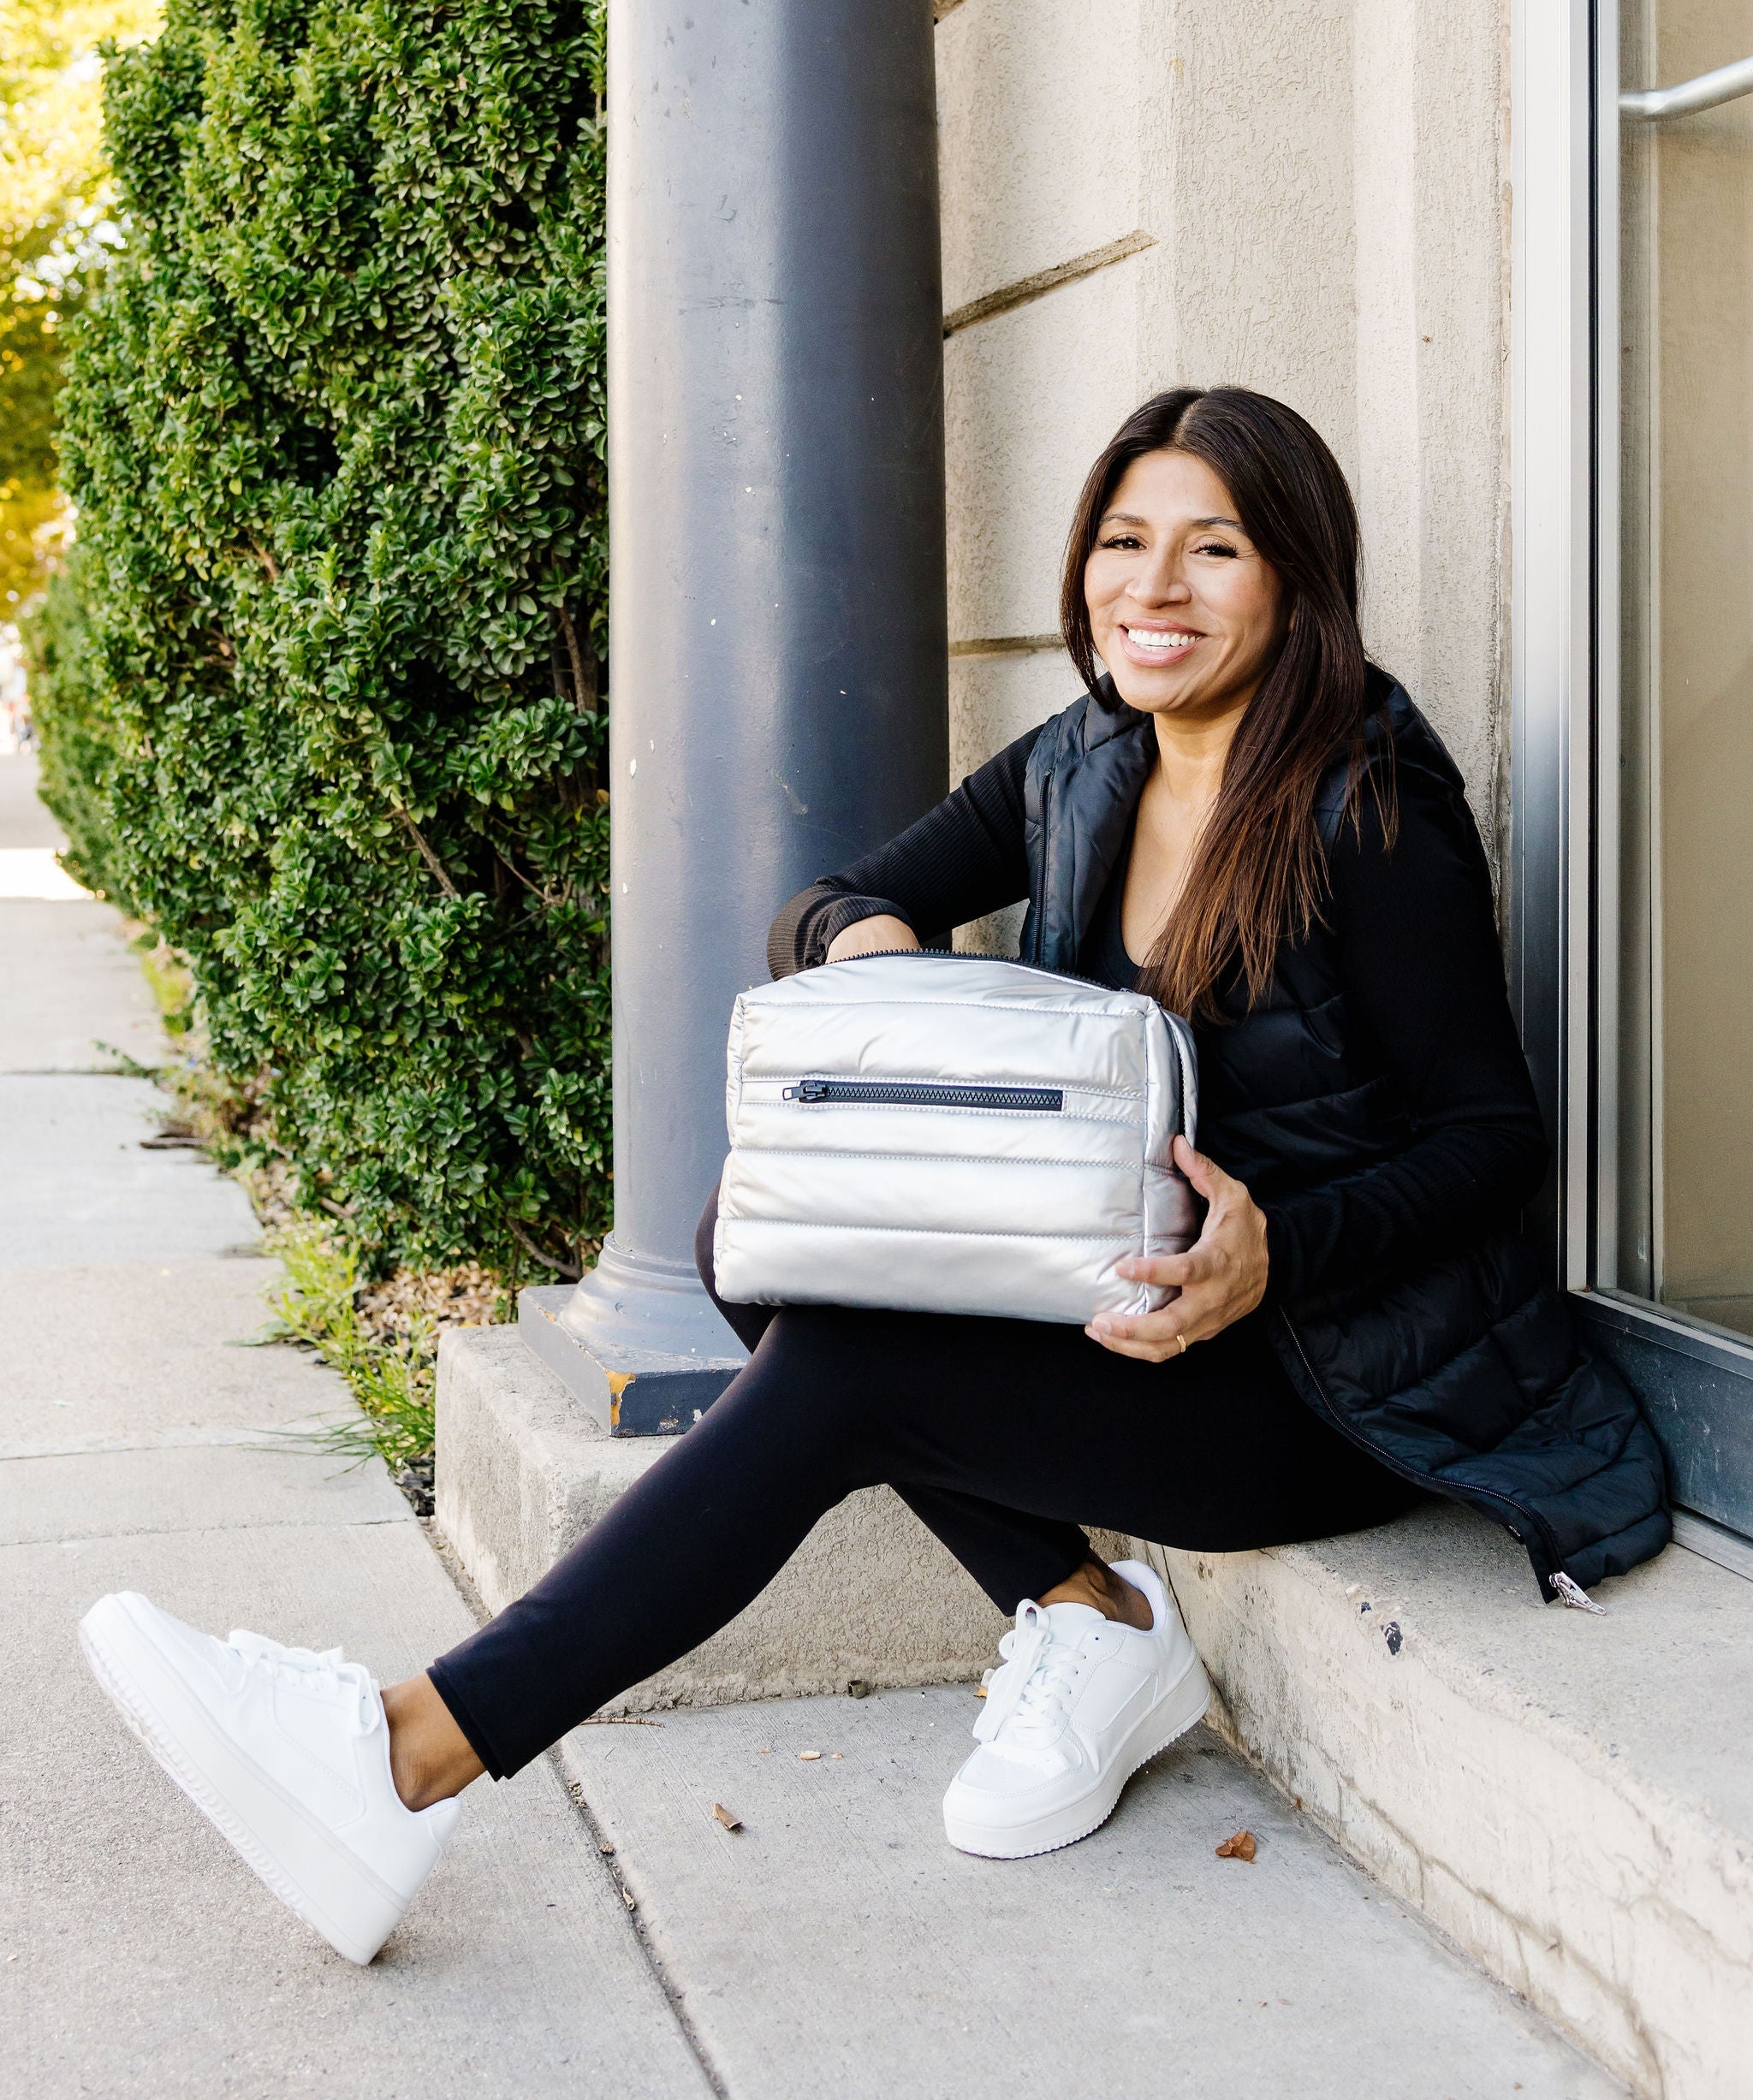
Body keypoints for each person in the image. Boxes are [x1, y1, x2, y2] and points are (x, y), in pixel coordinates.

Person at [80, 386, 1669, 1966]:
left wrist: (1279, 1255)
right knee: (751, 1245)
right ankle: (1086, 1611)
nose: (1153, 590)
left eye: (1214, 550)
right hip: (1136, 1306)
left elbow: (1495, 1139)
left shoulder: (1366, 803)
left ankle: (409, 1748)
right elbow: (831, 900)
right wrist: (870, 947)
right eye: (1125, 542)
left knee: (851, 1363)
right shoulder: (1086, 757)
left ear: (1297, 580)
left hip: (1336, 1387)